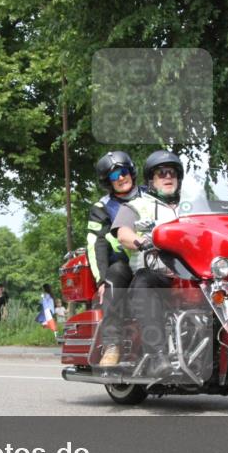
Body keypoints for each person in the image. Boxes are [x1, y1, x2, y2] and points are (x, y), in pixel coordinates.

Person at [112, 150, 184, 373]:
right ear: (152, 181)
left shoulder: (193, 206)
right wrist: (140, 241)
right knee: (143, 282)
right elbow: (123, 233)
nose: (168, 177)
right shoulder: (137, 205)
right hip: (158, 273)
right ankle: (158, 355)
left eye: (172, 172)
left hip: (194, 273)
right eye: (161, 173)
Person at [87, 151, 141, 366]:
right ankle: (111, 345)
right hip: (126, 263)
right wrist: (100, 279)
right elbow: (96, 243)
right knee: (114, 275)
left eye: (123, 171)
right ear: (107, 181)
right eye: (113, 175)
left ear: (131, 172)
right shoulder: (102, 207)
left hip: (157, 259)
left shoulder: (151, 196)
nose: (120, 177)